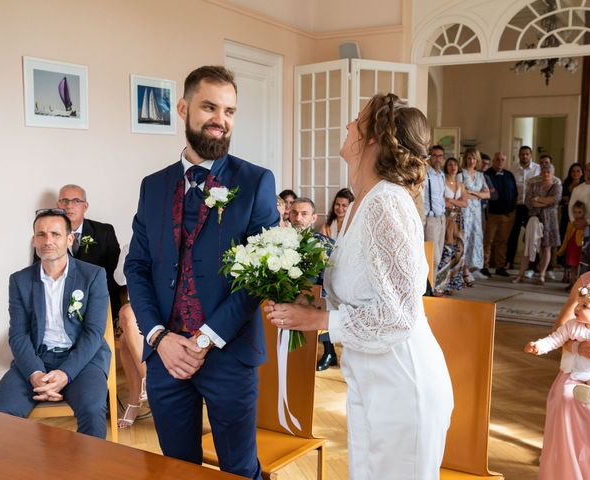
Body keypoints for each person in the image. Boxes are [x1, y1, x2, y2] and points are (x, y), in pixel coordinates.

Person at [264, 93, 453, 480]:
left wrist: (319, 322)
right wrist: (314, 307)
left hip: (402, 384)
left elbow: (398, 316)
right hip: (369, 378)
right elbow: (366, 294)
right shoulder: (362, 204)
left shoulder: (387, 203)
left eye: (356, 121)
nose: (347, 126)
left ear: (372, 138)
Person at [124, 65, 278, 479]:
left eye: (229, 111)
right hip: (166, 356)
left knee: (240, 470)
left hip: (229, 355)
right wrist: (158, 337)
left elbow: (257, 278)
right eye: (209, 106)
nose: (220, 120)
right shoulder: (152, 186)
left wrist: (205, 339)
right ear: (183, 108)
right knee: (176, 470)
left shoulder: (256, 181)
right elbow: (136, 266)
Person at [0, 209, 111, 439]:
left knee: (93, 409)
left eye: (55, 234)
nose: (48, 241)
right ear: (34, 239)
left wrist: (65, 374)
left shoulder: (93, 275)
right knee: (0, 413)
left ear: (69, 239)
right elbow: (18, 334)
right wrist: (35, 373)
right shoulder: (19, 280)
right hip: (37, 358)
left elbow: (94, 333)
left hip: (83, 360)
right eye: (41, 234)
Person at [538, 242, 590, 479]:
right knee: (565, 398)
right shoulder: (589, 281)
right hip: (580, 366)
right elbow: (560, 329)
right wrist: (578, 347)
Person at [525, 281, 590, 406]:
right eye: (578, 303)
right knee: (577, 384)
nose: (577, 308)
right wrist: (539, 346)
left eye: (584, 306)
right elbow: (555, 339)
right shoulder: (572, 326)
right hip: (577, 368)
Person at [56, 184, 121, 318]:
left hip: (100, 303)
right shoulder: (48, 235)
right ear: (58, 205)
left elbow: (115, 274)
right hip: (60, 306)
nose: (69, 206)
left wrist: (89, 296)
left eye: (76, 201)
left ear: (85, 206)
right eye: (65, 201)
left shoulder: (104, 232)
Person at [289, 197, 336, 371]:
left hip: (317, 295)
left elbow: (330, 281)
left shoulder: (326, 245)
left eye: (304, 213)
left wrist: (319, 297)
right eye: (294, 213)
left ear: (313, 218)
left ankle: (329, 351)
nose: (298, 217)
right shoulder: (280, 240)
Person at [113, 244, 148, 428]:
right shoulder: (131, 246)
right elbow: (119, 279)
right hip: (138, 310)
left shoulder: (171, 244)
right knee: (127, 318)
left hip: (166, 311)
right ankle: (148, 380)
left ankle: (135, 401)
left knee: (126, 330)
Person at [513, 163, 562, 284]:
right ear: (540, 173)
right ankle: (521, 274)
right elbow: (529, 202)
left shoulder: (557, 186)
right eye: (544, 171)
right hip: (534, 218)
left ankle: (542, 274)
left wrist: (537, 199)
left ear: (552, 174)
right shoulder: (533, 185)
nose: (545, 174)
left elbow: (555, 201)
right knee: (528, 246)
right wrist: (544, 202)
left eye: (548, 172)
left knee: (546, 247)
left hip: (549, 220)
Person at [435, 157, 467, 296]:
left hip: (458, 220)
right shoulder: (442, 181)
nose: (453, 167)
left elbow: (465, 203)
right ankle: (440, 285)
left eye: (455, 164)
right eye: (450, 164)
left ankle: (453, 283)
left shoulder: (461, 184)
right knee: (445, 251)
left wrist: (451, 201)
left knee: (458, 251)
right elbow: (441, 200)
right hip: (446, 219)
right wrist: (454, 202)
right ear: (446, 167)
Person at [457, 148, 490, 286]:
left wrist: (474, 193)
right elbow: (462, 194)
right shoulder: (461, 174)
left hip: (476, 213)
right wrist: (477, 194)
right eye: (469, 158)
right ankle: (459, 271)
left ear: (477, 161)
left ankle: (467, 269)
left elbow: (488, 194)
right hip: (464, 210)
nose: (471, 161)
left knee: (474, 238)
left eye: (474, 159)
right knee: (463, 238)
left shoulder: (480, 175)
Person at [482, 152, 517, 277]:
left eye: (502, 159)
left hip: (507, 214)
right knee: (488, 241)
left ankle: (500, 266)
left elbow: (515, 194)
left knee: (502, 242)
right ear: (493, 161)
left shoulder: (509, 175)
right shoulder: (486, 175)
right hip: (491, 214)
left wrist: (512, 210)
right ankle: (484, 266)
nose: (500, 161)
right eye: (497, 159)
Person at [506, 145, 541, 269]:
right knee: (512, 235)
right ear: (519, 155)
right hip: (516, 206)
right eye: (522, 154)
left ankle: (533, 265)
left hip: (531, 208)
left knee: (532, 236)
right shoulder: (513, 169)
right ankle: (508, 262)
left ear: (531, 155)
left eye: (527, 154)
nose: (524, 156)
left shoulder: (537, 169)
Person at [423, 145, 447, 273]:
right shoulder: (425, 175)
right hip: (430, 219)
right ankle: (428, 288)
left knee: (439, 254)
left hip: (442, 218)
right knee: (434, 258)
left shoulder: (442, 175)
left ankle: (433, 287)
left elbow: (441, 197)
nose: (437, 159)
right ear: (430, 157)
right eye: (434, 155)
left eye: (440, 156)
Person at [555, 201, 586, 286]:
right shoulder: (571, 224)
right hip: (572, 247)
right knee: (572, 266)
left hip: (579, 248)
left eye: (579, 212)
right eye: (575, 212)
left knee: (580, 267)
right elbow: (566, 238)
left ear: (584, 212)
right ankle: (572, 283)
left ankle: (578, 284)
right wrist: (562, 249)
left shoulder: (585, 225)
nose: (577, 214)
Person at [558, 163, 584, 246]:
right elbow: (559, 200)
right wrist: (563, 199)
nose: (575, 173)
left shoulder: (584, 185)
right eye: (573, 171)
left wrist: (569, 200)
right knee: (563, 236)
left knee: (575, 239)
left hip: (579, 215)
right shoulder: (564, 185)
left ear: (582, 173)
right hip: (566, 214)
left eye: (578, 171)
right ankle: (561, 258)